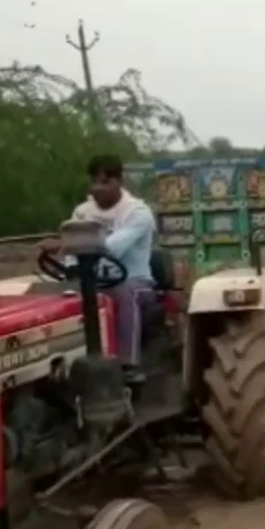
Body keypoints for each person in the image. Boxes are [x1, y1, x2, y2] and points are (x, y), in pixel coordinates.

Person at [41, 154, 158, 372]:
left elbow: (111, 248)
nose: (98, 188)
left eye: (105, 182)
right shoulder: (82, 212)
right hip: (91, 281)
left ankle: (127, 364)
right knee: (51, 292)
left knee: (125, 292)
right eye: (94, 182)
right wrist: (70, 265)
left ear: (119, 181)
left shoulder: (138, 213)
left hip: (135, 280)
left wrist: (65, 243)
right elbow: (72, 254)